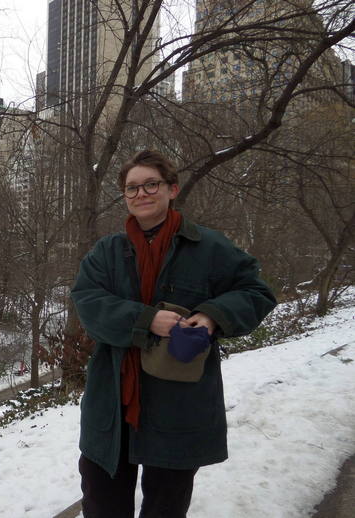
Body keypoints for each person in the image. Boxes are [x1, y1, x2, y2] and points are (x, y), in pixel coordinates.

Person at [71, 150, 277, 518]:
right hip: (113, 403)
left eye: (151, 184)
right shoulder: (107, 252)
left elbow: (256, 293)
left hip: (179, 405)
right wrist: (146, 319)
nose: (141, 194)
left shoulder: (209, 247)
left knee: (166, 506)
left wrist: (212, 315)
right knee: (102, 503)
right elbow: (88, 303)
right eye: (132, 188)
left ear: (172, 189)